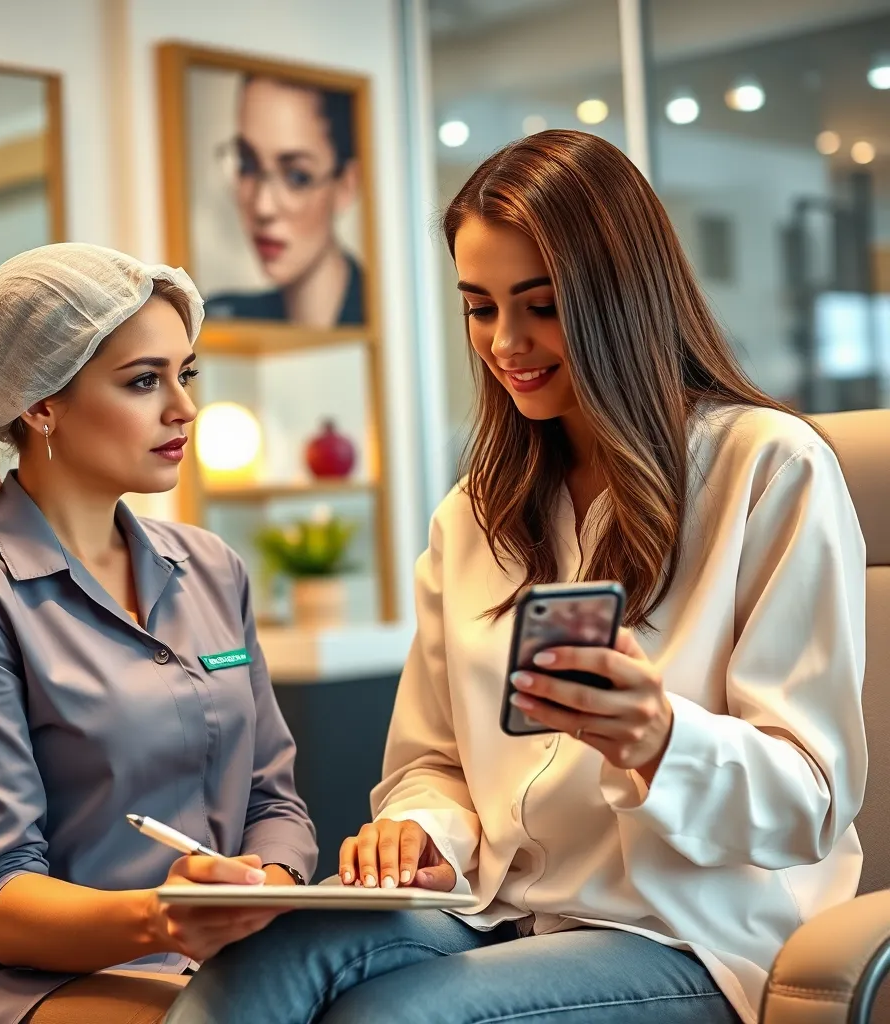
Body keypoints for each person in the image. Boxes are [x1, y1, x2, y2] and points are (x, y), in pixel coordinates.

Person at [165, 130, 866, 1024]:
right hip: (505, 909)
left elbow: (810, 796)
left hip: (690, 934)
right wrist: (419, 829)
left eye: (540, 305)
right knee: (250, 968)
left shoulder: (768, 469)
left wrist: (658, 738)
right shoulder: (474, 514)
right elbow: (433, 763)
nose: (507, 342)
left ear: (622, 299)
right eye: (479, 307)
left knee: (393, 1017)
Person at [0, 243, 317, 1024]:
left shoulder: (213, 569)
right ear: (41, 405)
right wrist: (164, 918)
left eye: (186, 374)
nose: (182, 408)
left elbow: (273, 800)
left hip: (218, 966)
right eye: (144, 380)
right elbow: (0, 895)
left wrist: (263, 886)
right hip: (24, 988)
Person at [203, 75, 365, 328]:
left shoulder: (392, 313)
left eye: (297, 176)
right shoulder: (219, 317)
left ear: (346, 184)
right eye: (247, 164)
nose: (262, 206)